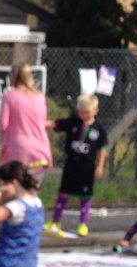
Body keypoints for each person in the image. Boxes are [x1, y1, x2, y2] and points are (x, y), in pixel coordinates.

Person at [44, 93, 108, 237]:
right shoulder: (73, 122)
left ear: (95, 111)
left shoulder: (99, 130)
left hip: (87, 167)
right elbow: (55, 124)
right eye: (81, 112)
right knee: (63, 192)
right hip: (71, 163)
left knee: (85, 195)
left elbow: (103, 148)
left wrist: (100, 165)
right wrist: (37, 122)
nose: (83, 115)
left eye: (87, 112)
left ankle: (83, 224)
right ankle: (55, 221)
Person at [0, 62, 52, 182]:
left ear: (14, 76)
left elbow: (3, 125)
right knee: (32, 187)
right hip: (40, 147)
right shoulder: (40, 97)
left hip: (18, 148)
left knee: (15, 185)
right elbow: (42, 121)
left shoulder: (10, 96)